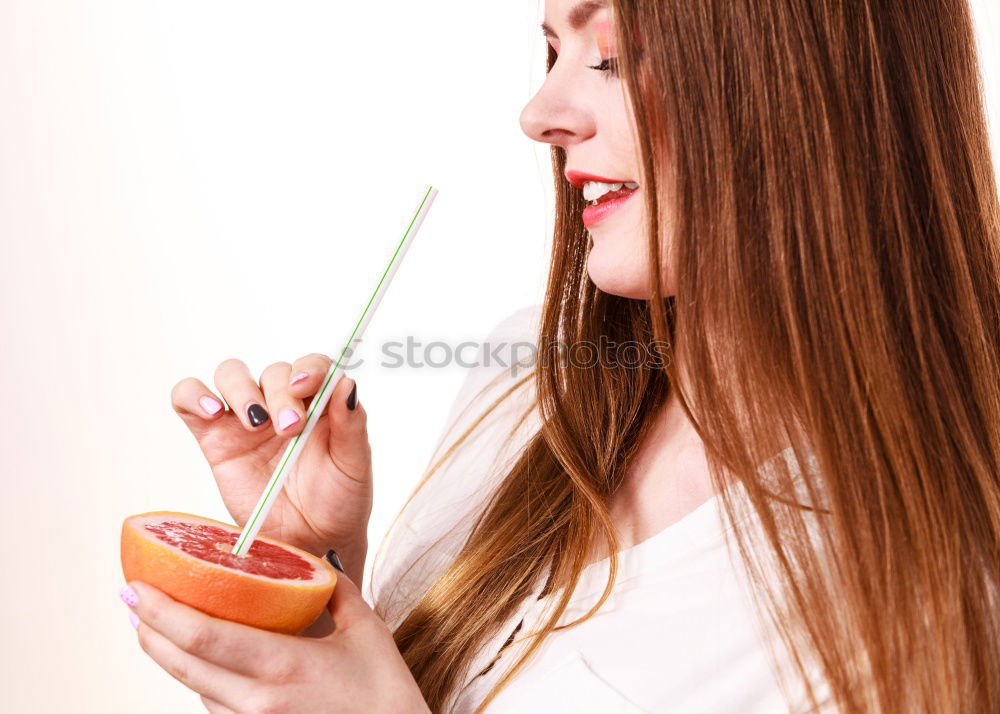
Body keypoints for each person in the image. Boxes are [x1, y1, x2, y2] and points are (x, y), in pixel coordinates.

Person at [119, 0, 1000, 711]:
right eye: (550, 51)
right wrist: (314, 579)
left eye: (613, 56)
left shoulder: (946, 590)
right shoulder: (521, 376)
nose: (539, 114)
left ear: (814, 85)